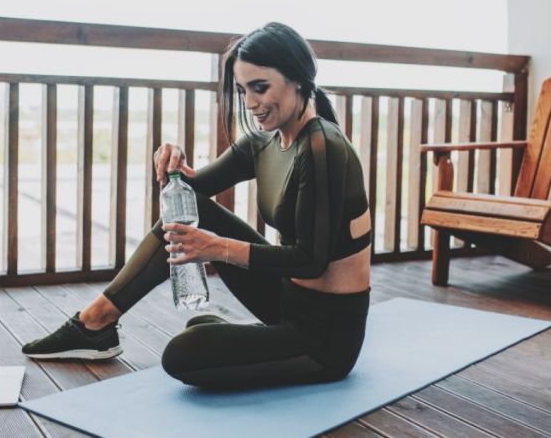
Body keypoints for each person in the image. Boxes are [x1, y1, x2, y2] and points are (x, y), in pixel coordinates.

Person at [22, 22, 372, 389]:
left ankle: (116, 327)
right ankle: (96, 322)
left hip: (326, 337)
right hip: (286, 301)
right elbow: (189, 192)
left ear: (298, 79)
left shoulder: (323, 149)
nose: (250, 103)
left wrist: (217, 248)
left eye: (260, 87)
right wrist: (172, 162)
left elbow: (311, 261)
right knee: (195, 220)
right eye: (242, 90)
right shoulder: (263, 143)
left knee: (182, 354)